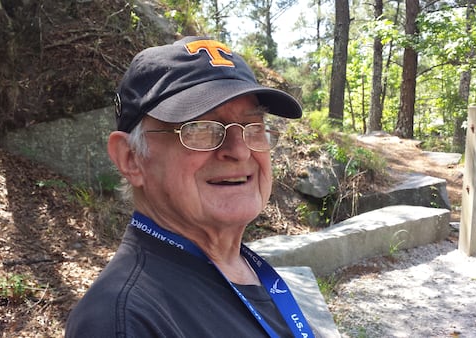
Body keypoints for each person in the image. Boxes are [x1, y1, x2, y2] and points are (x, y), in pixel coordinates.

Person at [65, 36, 315, 338]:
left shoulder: (239, 266)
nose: (240, 151)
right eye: (200, 128)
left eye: (254, 127)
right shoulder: (123, 322)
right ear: (131, 158)